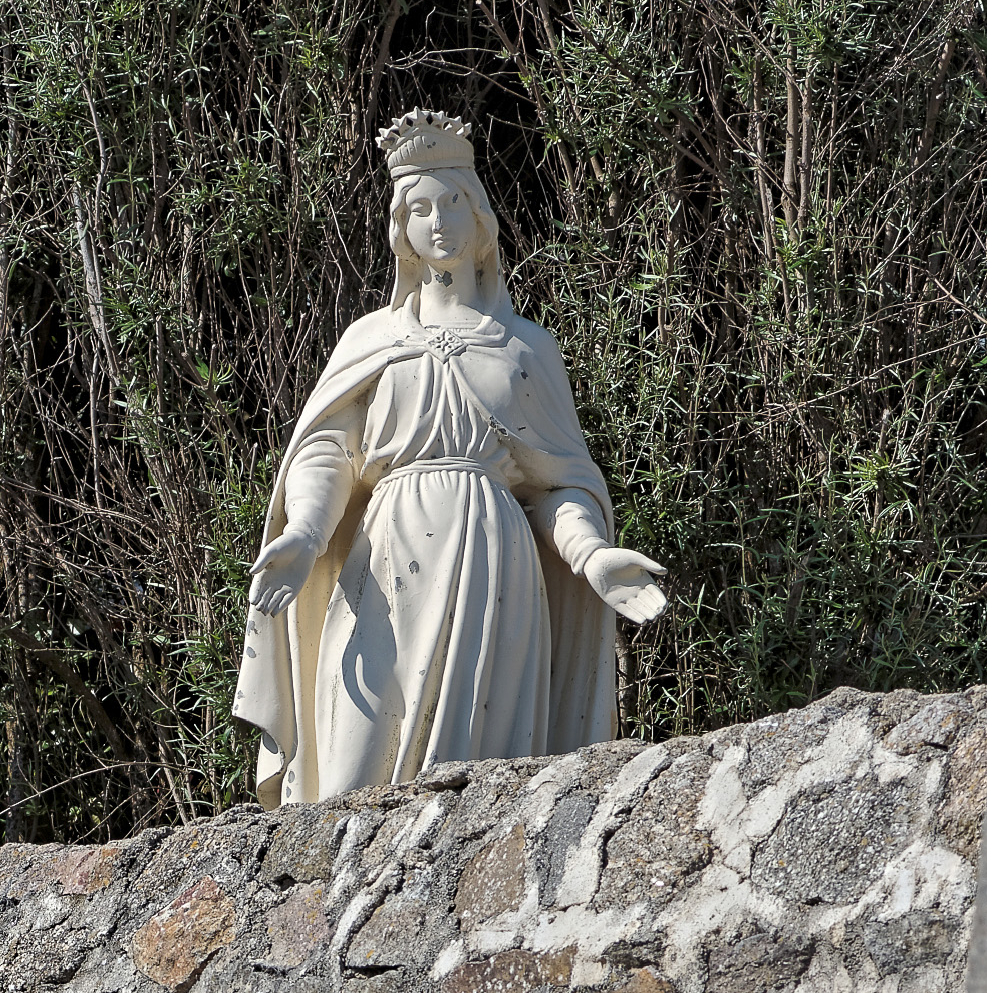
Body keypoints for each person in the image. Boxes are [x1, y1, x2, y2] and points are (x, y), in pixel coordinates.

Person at [232, 108, 666, 807]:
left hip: (493, 570)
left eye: (452, 203)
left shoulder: (525, 349)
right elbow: (328, 453)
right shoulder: (371, 339)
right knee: (352, 763)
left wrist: (591, 555)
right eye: (420, 209)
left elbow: (556, 484)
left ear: (481, 215)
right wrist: (305, 534)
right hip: (386, 560)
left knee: (476, 789)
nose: (438, 223)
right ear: (401, 229)